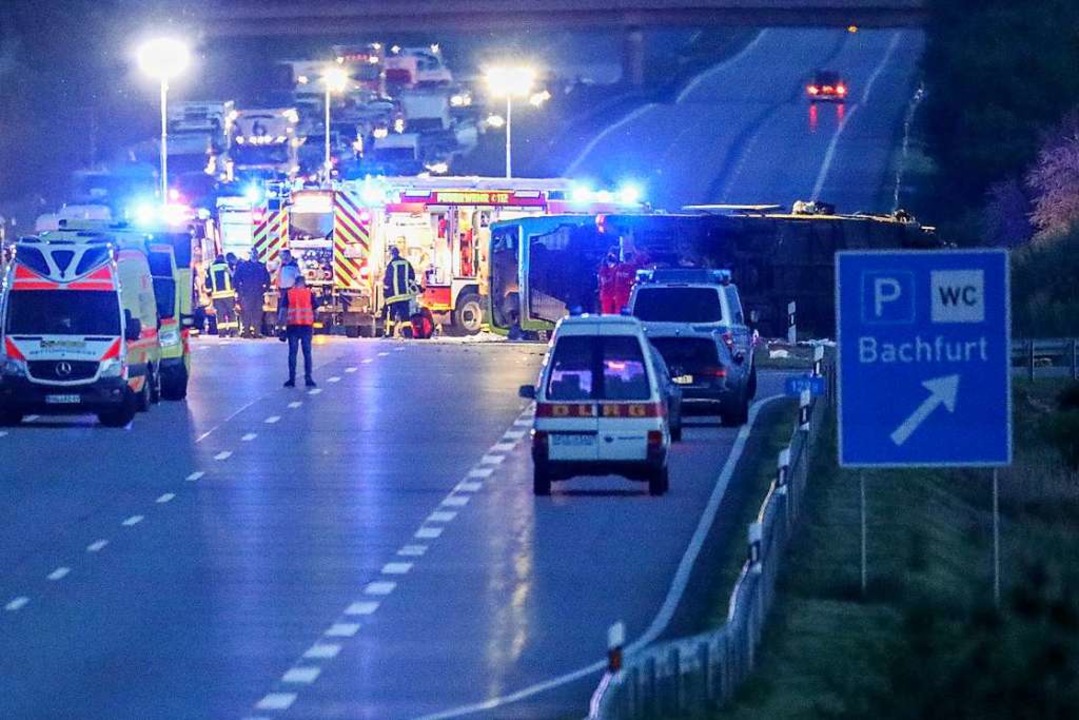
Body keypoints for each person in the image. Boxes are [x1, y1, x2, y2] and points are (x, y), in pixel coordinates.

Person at [283, 275, 318, 388]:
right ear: (304, 282)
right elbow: (316, 310)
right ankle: (308, 379)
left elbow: (283, 311)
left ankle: (291, 379)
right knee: (307, 353)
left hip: (292, 326)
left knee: (292, 353)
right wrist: (314, 320)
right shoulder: (309, 294)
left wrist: (280, 325)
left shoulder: (289, 293)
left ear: (295, 282)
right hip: (306, 327)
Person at [383, 245, 418, 337]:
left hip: (393, 297)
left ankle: (389, 333)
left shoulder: (391, 264)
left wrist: (385, 291)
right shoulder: (406, 263)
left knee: (391, 316)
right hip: (405, 296)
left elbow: (387, 279)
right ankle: (408, 334)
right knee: (405, 317)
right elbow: (412, 277)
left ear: (392, 254)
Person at [234, 254, 270, 338]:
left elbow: (267, 280)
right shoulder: (245, 266)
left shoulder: (260, 267)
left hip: (257, 294)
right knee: (247, 313)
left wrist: (263, 290)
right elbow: (236, 280)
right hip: (247, 294)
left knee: (257, 313)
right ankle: (246, 331)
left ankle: (256, 332)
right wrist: (239, 291)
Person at [206, 253, 238, 337]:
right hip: (229, 295)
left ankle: (222, 333)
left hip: (217, 296)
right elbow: (234, 279)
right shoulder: (227, 267)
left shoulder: (211, 268)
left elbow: (208, 283)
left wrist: (209, 293)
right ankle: (233, 332)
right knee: (231, 313)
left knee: (220, 314)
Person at [275, 249, 301, 337]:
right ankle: (280, 329)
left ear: (289, 256)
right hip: (282, 290)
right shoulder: (281, 266)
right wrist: (277, 289)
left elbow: (298, 279)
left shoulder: (294, 265)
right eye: (281, 256)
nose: (283, 258)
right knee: (281, 310)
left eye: (284, 256)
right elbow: (277, 277)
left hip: (291, 290)